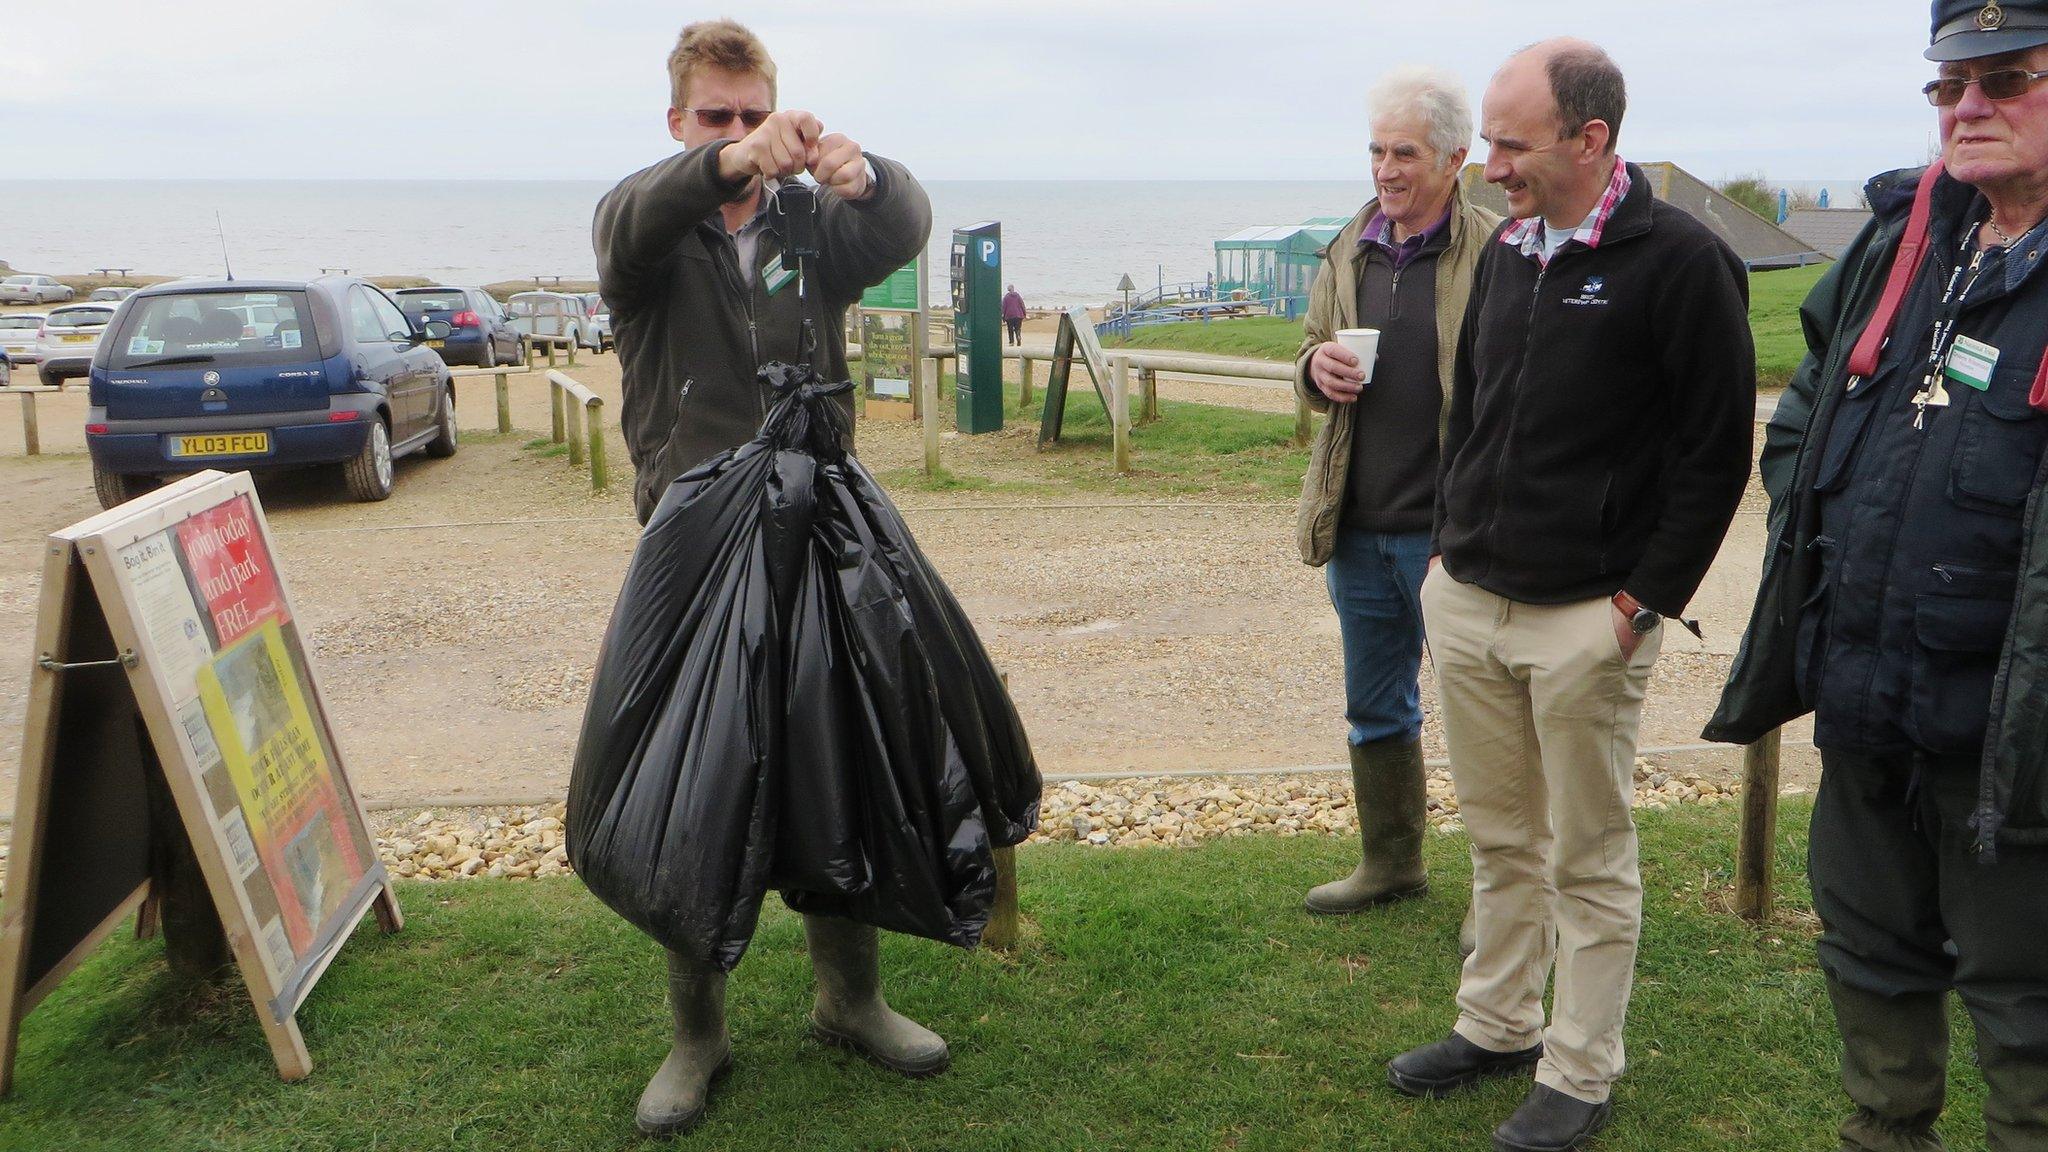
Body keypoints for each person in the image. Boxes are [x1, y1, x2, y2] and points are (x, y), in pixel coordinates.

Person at [1387, 39, 1755, 1152]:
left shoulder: (1681, 261)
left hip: (1587, 618)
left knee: (1585, 856)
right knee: (1501, 839)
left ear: (1590, 139)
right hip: (1471, 597)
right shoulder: (1508, 250)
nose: (1488, 165)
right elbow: (1475, 411)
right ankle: (1495, 1023)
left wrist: (1639, 603)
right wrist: (1447, 552)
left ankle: (1578, 1071)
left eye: (1509, 144)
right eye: (1488, 143)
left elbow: (1710, 454)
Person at [1707, 4, 2048, 1147]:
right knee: (1868, 958)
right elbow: (1805, 404)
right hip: (1862, 694)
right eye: (1946, 86)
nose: (1965, 107)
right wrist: (1821, 533)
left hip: (2018, 746)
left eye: (2004, 80)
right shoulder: (1901, 240)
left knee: (2027, 1009)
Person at [591, 18, 936, 1138]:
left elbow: (900, 225)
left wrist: (863, 174)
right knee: (700, 790)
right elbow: (633, 222)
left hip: (814, 533)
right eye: (715, 118)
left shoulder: (805, 228)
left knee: (836, 763)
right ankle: (697, 1037)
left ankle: (853, 1001)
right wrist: (727, 167)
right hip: (693, 550)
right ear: (680, 122)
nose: (737, 136)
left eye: (753, 116)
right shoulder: (646, 225)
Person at [1292, 65, 1498, 918]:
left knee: (1488, 727)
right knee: (1374, 708)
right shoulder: (1349, 246)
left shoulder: (1496, 248)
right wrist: (1316, 369)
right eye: (1376, 150)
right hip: (1358, 526)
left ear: (1454, 158)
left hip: (1453, 534)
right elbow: (1305, 352)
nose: (1385, 169)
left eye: (1403, 152)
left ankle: (1502, 901)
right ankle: (1392, 865)